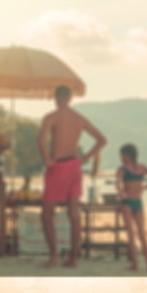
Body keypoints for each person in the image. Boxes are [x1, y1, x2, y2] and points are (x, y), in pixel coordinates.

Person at [37, 85, 107, 267]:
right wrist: (85, 158)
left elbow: (41, 142)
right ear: (69, 98)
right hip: (74, 165)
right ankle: (73, 258)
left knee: (47, 214)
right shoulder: (78, 118)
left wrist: (47, 160)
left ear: (55, 98)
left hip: (58, 165)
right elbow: (102, 140)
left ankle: (54, 255)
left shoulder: (51, 117)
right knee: (74, 214)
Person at [115, 143, 147, 272]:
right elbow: (118, 183)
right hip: (131, 202)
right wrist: (122, 192)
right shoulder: (129, 169)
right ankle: (139, 265)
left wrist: (144, 187)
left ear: (128, 155)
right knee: (135, 235)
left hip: (133, 202)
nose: (121, 158)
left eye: (122, 155)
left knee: (139, 235)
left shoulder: (133, 168)